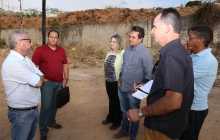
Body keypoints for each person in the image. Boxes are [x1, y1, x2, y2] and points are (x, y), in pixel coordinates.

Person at [126, 8, 194, 140]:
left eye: (154, 27)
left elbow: (173, 101)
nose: (151, 32)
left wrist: (140, 112)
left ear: (167, 27)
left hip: (162, 128)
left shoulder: (172, 56)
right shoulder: (177, 51)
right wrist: (144, 89)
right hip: (167, 125)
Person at [1, 29, 44, 140]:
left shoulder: (25, 59)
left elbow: (40, 74)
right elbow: (39, 82)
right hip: (21, 114)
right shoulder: (13, 63)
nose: (32, 44)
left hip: (32, 110)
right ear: (19, 43)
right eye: (29, 41)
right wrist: (36, 79)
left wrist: (35, 79)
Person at [113, 26, 154, 140]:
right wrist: (120, 78)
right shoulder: (127, 50)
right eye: (130, 36)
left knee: (134, 114)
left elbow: (150, 74)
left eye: (133, 37)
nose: (130, 39)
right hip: (122, 87)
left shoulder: (146, 54)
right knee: (124, 111)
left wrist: (139, 86)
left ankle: (132, 136)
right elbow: (124, 66)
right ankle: (124, 130)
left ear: (140, 39)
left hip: (133, 91)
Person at [179, 25, 218, 140]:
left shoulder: (205, 61)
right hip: (188, 105)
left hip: (195, 108)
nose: (187, 40)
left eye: (190, 37)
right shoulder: (195, 56)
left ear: (201, 40)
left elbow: (180, 76)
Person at [32, 30, 69, 140]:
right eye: (51, 37)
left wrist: (66, 79)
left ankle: (51, 122)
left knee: (55, 104)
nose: (53, 39)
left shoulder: (61, 50)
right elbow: (33, 66)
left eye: (55, 37)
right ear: (48, 37)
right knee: (46, 106)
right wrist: (42, 78)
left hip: (59, 83)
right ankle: (43, 130)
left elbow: (65, 65)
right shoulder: (40, 50)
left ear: (58, 39)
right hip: (47, 84)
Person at [102, 33, 124, 130]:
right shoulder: (108, 53)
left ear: (118, 43)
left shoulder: (122, 54)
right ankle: (110, 117)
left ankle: (117, 121)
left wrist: (121, 79)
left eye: (114, 42)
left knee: (117, 101)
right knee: (111, 99)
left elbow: (124, 68)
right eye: (111, 41)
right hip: (108, 80)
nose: (112, 43)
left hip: (116, 81)